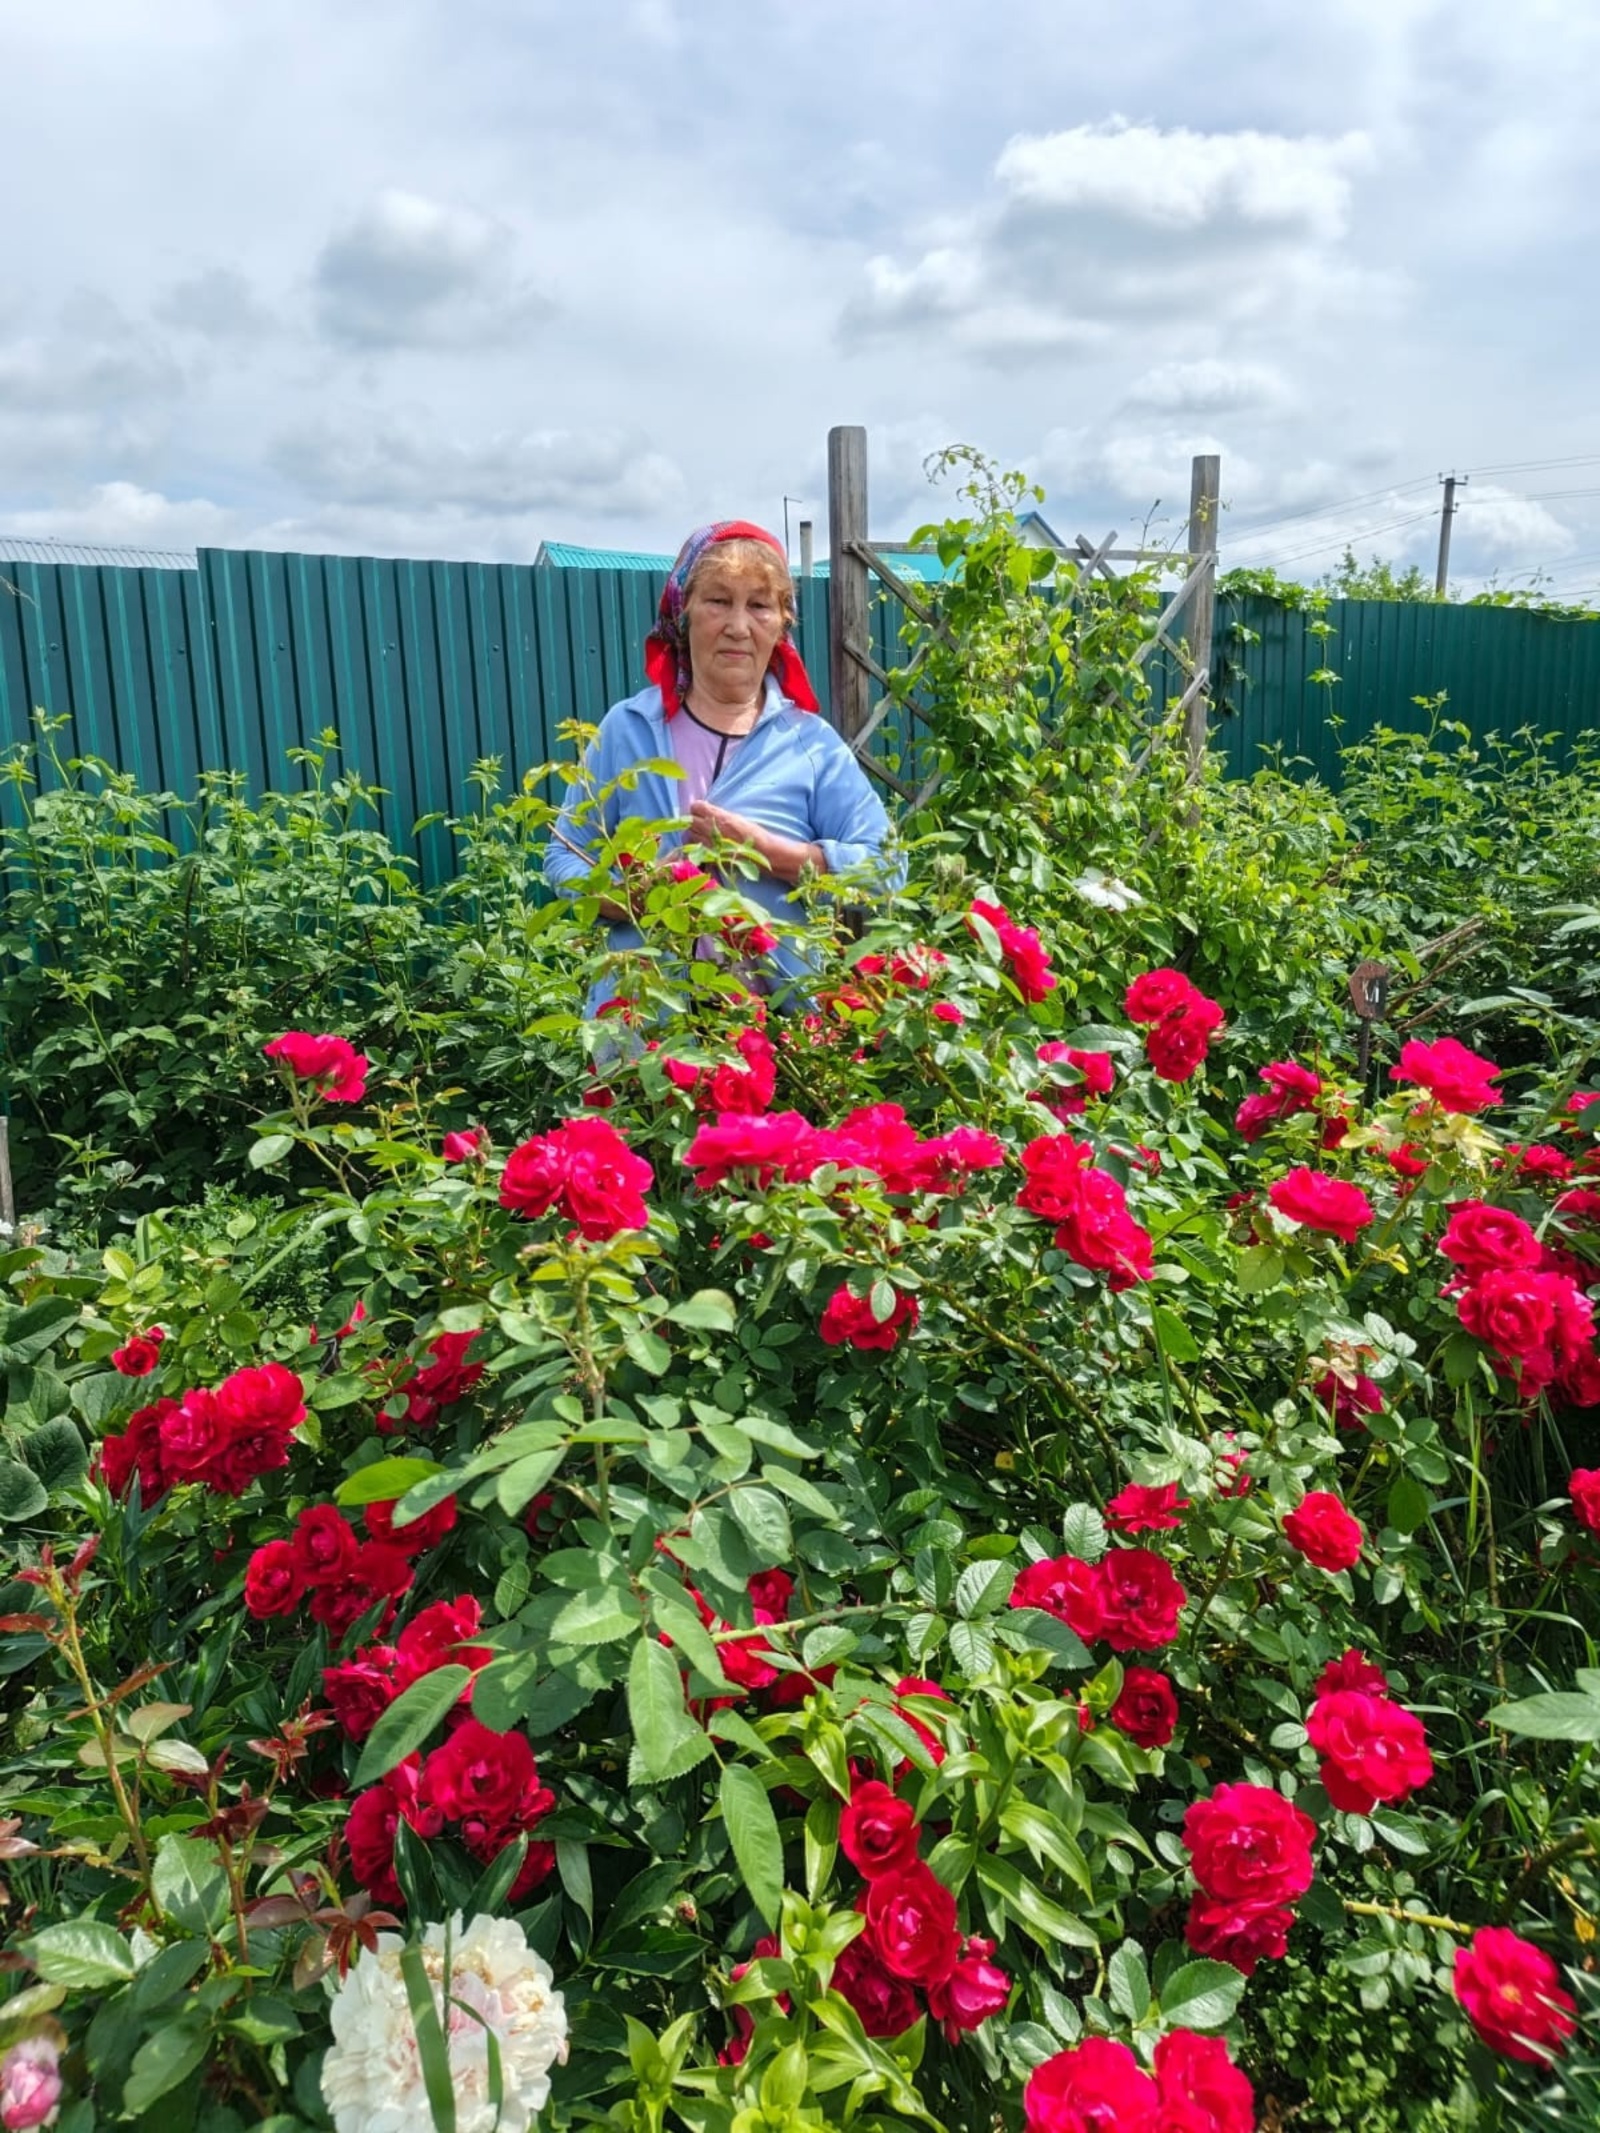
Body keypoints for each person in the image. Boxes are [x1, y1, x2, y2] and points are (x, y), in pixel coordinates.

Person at [543, 520, 897, 1013]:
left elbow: (886, 869)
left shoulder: (811, 745)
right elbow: (563, 858)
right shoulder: (629, 729)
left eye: (758, 605)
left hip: (781, 1044)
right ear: (683, 612)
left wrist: (764, 849)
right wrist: (633, 895)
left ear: (781, 624)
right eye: (718, 601)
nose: (738, 626)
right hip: (645, 1033)